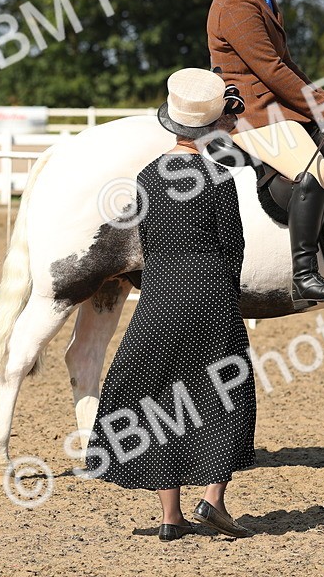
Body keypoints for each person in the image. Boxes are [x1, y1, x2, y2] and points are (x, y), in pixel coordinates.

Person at [84, 68, 256, 542]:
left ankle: (170, 516)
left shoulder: (147, 176)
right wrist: (226, 292)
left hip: (159, 296)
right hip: (211, 295)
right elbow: (233, 246)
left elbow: (148, 241)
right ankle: (214, 499)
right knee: (226, 391)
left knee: (157, 397)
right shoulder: (218, 176)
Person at [207, 0, 324, 308]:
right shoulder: (237, 2)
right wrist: (323, 109)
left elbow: (287, 64)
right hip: (251, 111)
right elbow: (271, 70)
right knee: (314, 168)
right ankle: (305, 274)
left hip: (272, 102)